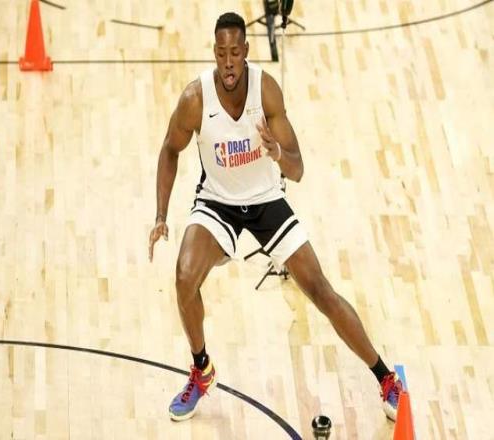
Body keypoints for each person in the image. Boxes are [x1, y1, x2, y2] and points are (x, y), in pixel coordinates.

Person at [149, 12, 402, 423]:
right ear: (214, 53)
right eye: (221, 53)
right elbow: (169, 149)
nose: (228, 62)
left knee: (320, 290)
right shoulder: (195, 99)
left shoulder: (265, 91)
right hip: (218, 201)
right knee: (183, 277)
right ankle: (201, 369)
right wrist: (161, 214)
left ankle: (385, 377)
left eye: (235, 53)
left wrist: (277, 152)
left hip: (266, 199)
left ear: (246, 52)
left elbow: (297, 169)